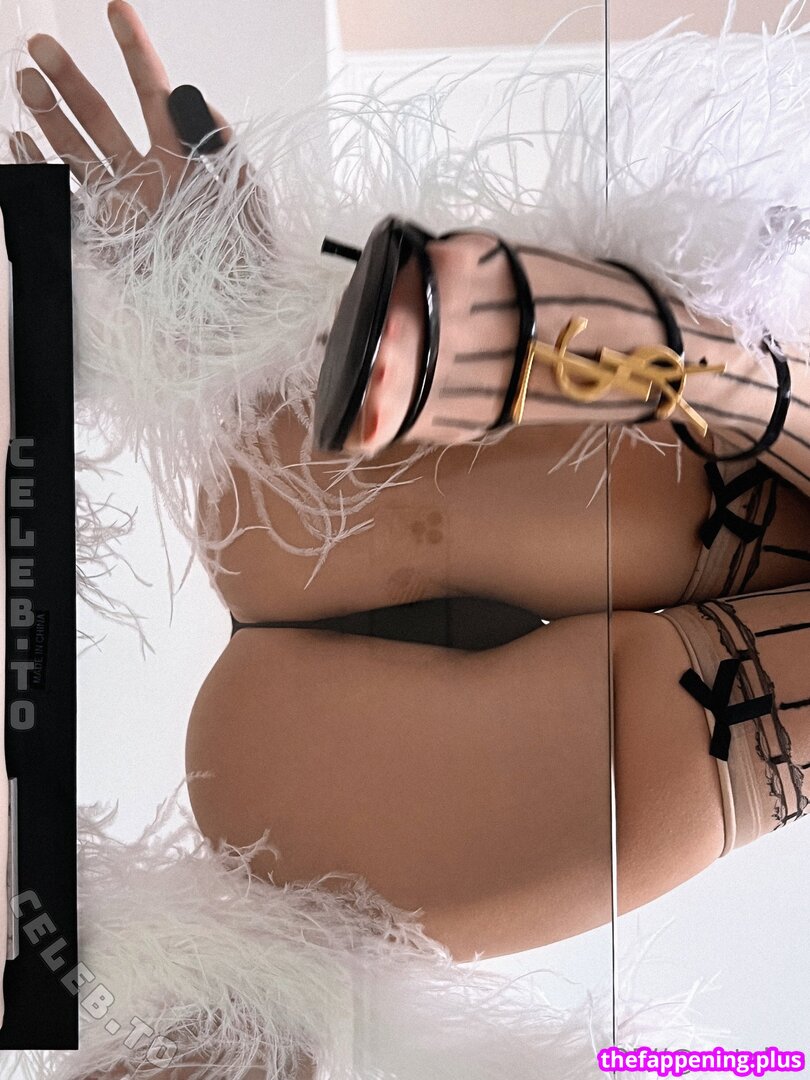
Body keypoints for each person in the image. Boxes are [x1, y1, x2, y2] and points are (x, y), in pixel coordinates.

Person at [8, 2, 810, 1073]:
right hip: (636, 592)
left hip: (330, 786)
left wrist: (231, 302)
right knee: (271, 500)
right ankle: (663, 358)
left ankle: (652, 354)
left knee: (266, 502)